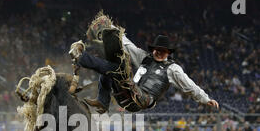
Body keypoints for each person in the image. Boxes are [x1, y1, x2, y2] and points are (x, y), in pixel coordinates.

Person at [69, 29, 219, 113]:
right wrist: (115, 31)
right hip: (128, 93)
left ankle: (81, 58)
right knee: (111, 68)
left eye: (163, 51)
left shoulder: (173, 69)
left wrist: (206, 99)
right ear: (153, 49)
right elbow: (129, 46)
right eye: (157, 50)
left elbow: (189, 85)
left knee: (116, 69)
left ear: (168, 53)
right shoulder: (144, 58)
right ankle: (103, 101)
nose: (159, 52)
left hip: (143, 99)